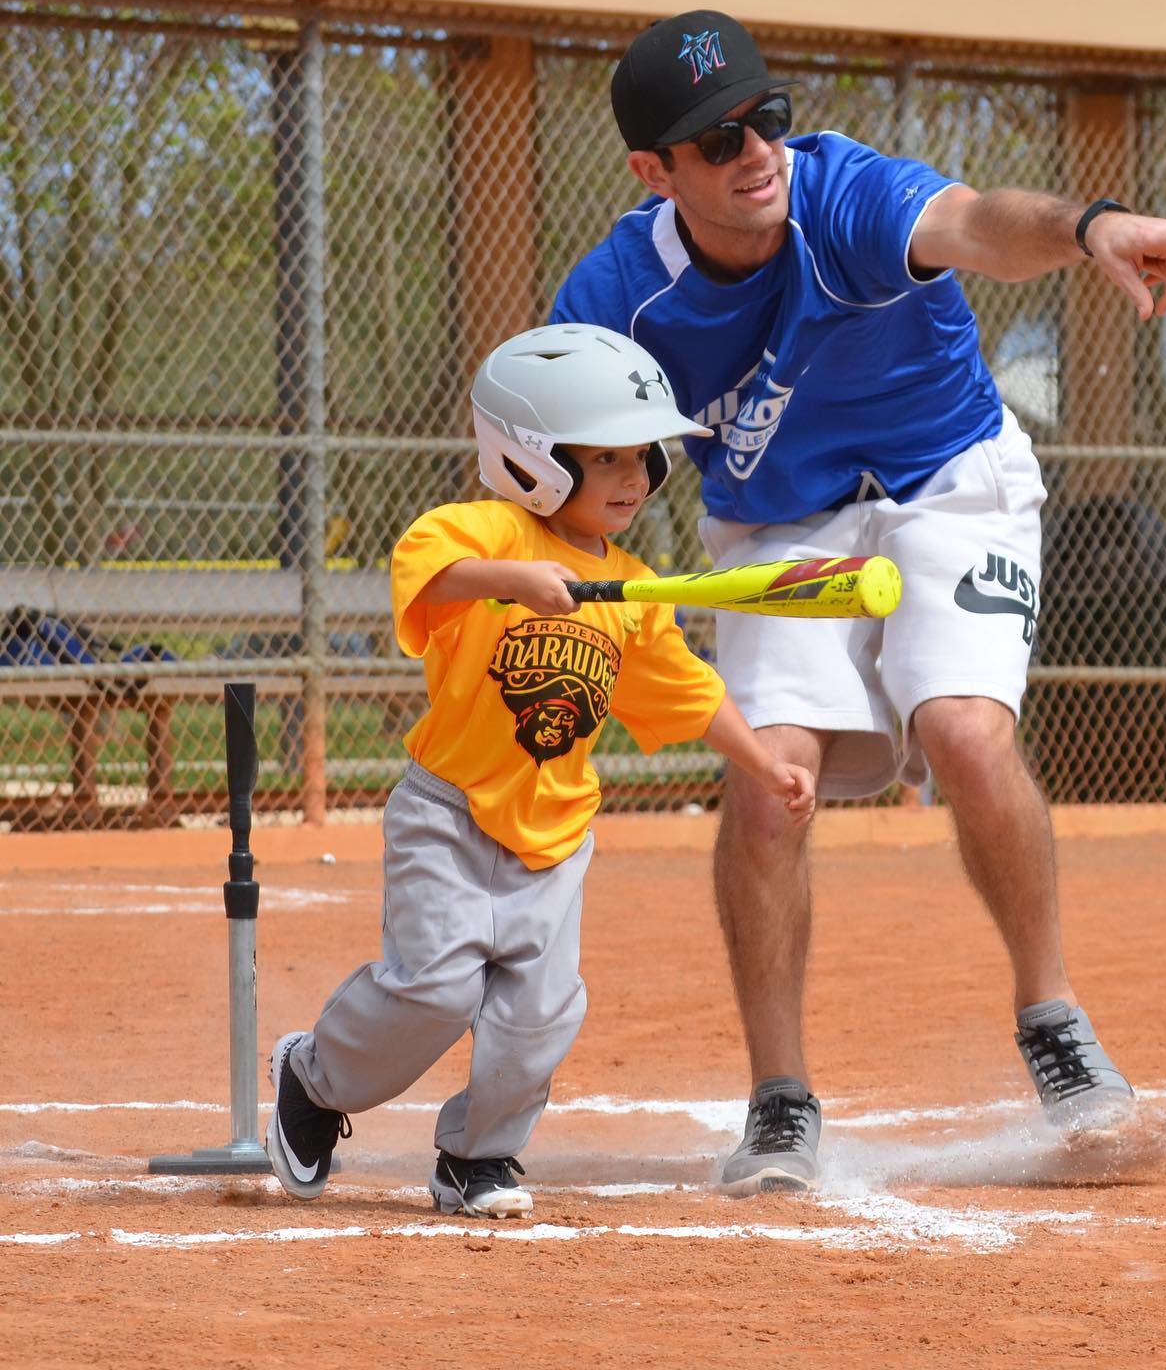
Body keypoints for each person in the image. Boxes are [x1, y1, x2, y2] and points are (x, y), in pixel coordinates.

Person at [551, 10, 1166, 1197]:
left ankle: (1055, 1025)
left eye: (767, 115)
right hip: (781, 526)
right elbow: (545, 439)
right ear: (655, 170)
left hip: (950, 481)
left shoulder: (844, 196)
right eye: (715, 140)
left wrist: (1093, 228)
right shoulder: (615, 297)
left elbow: (976, 224)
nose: (756, 149)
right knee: (768, 787)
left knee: (964, 731)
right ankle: (780, 1101)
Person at [265, 323, 815, 1218]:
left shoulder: (633, 591)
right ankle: (316, 1079)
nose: (636, 480)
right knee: (434, 991)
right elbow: (427, 574)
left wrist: (763, 764)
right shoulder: (480, 531)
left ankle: (476, 1157)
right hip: (447, 815)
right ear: (533, 461)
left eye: (645, 459)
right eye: (608, 460)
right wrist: (512, 578)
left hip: (554, 839)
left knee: (540, 1017)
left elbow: (687, 693)